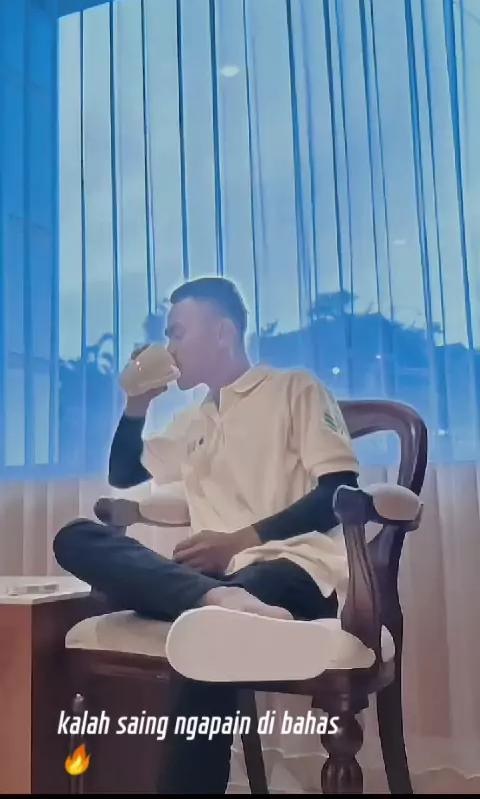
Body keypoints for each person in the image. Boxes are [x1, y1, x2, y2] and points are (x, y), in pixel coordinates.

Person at [53, 276, 360, 794]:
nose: (168, 346)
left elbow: (338, 490)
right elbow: (124, 472)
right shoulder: (194, 420)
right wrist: (137, 404)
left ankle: (215, 604)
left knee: (206, 631)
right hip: (215, 585)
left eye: (177, 332)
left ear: (222, 332)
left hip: (291, 571)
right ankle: (215, 599)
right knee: (75, 537)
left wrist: (239, 541)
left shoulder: (295, 390)